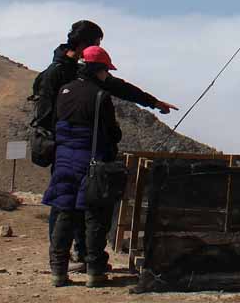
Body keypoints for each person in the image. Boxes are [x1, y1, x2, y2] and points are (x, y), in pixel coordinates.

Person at [32, 20, 178, 272]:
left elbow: (119, 87)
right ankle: (72, 258)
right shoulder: (59, 72)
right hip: (67, 146)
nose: (99, 45)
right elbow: (45, 112)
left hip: (67, 148)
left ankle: (69, 259)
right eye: (97, 41)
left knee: (71, 201)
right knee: (68, 203)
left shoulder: (82, 69)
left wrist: (152, 102)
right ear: (87, 43)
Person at [42, 45, 124, 288]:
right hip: (92, 163)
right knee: (94, 218)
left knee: (64, 214)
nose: (106, 75)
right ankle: (94, 272)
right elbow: (112, 133)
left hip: (63, 161)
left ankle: (58, 272)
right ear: (99, 69)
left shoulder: (64, 90)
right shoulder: (101, 96)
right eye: (106, 71)